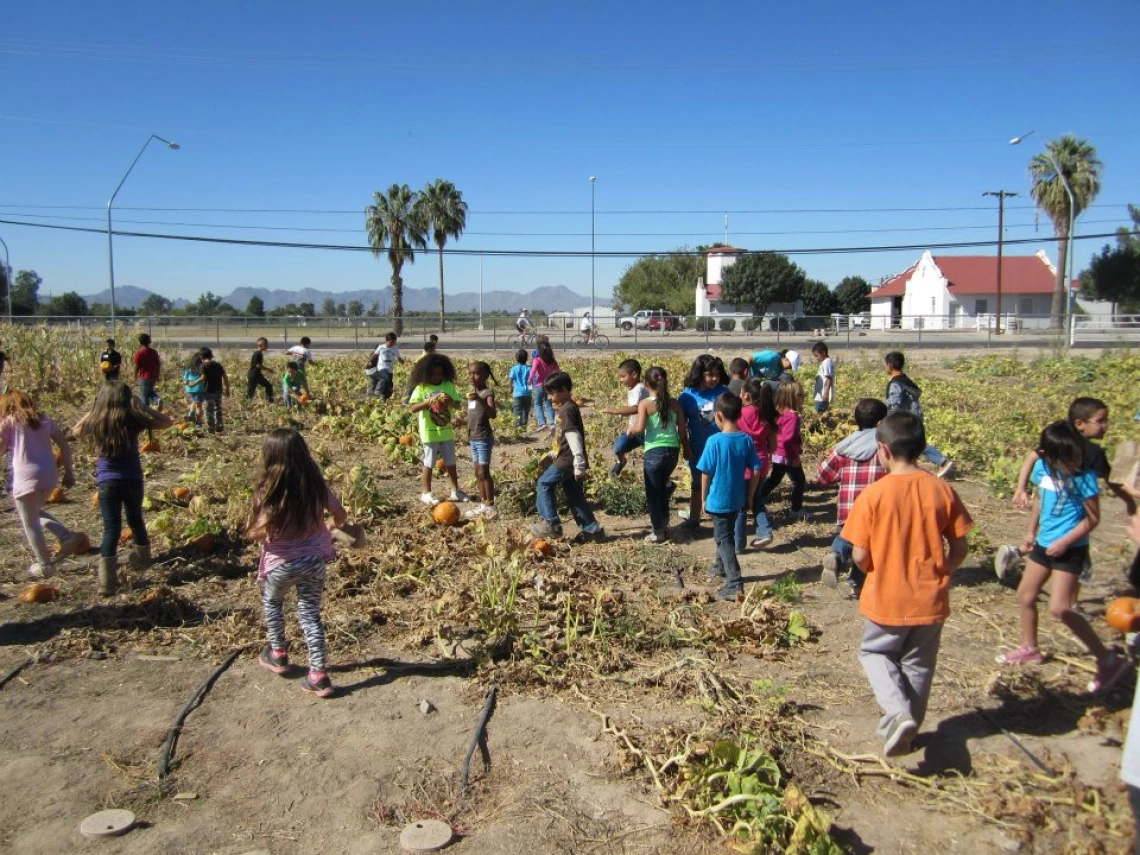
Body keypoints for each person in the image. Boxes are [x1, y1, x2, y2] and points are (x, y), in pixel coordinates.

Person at [841, 411, 972, 757]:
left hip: (887, 596)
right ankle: (909, 731)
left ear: (882, 450)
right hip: (931, 599)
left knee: (875, 652)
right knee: (918, 665)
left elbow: (859, 554)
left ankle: (897, 714)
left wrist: (873, 569)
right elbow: (960, 546)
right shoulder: (942, 490)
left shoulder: (873, 495)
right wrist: (943, 571)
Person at [995, 420, 1132, 695]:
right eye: (1066, 456)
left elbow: (1093, 519)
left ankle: (1107, 659)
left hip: (1070, 547)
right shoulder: (1042, 468)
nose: (1072, 460)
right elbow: (1039, 501)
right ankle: (1030, 648)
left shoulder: (1084, 478)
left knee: (1060, 607)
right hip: (1044, 544)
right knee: (1025, 596)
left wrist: (1065, 541)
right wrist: (1031, 532)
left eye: (1074, 454)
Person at [249, 428, 347, 699]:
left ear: (269, 456)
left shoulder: (267, 490)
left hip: (280, 564)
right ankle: (318, 675)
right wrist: (329, 524)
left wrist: (264, 532)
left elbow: (257, 530)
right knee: (310, 614)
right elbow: (340, 515)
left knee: (272, 603)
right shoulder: (315, 485)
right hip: (314, 561)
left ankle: (278, 653)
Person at [999, 397, 1137, 588]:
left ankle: (1019, 554)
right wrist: (1129, 500)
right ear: (1079, 424)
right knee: (1070, 561)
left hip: (1068, 512)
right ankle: (1070, 603)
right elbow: (1111, 482)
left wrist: (1021, 487)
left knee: (1052, 546)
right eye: (1100, 421)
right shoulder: (1073, 446)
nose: (1105, 426)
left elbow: (1033, 457)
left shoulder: (1066, 443)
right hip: (1072, 513)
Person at [73, 380, 173, 595]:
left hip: (107, 482)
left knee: (111, 530)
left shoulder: (97, 421)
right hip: (133, 478)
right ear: (127, 399)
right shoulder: (132, 418)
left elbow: (76, 431)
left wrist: (93, 409)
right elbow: (166, 422)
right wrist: (142, 406)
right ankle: (144, 560)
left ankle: (107, 583)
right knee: (136, 519)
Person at [0, 389, 88, 578]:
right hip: (49, 475)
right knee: (35, 512)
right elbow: (64, 445)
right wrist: (69, 472)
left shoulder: (9, 422)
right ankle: (66, 536)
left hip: (26, 477)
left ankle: (45, 565)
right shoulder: (44, 419)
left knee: (29, 523)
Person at [817, 398, 889, 597]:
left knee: (847, 536)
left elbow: (822, 475)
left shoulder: (845, 446)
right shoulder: (885, 447)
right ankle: (856, 583)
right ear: (881, 423)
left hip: (849, 508)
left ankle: (837, 557)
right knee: (869, 546)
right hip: (878, 510)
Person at [698, 392, 762, 601]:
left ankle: (734, 583)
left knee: (724, 538)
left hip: (719, 500)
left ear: (718, 416)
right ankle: (719, 567)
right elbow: (755, 470)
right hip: (737, 498)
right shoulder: (746, 440)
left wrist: (703, 498)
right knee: (724, 533)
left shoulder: (714, 441)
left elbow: (705, 472)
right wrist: (750, 495)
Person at [530, 371, 605, 543]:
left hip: (568, 460)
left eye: (551, 393)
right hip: (565, 457)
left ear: (563, 389)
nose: (549, 398)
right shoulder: (568, 407)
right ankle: (592, 529)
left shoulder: (566, 410)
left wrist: (579, 463)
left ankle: (551, 524)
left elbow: (573, 437)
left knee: (544, 483)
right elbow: (563, 437)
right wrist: (552, 454)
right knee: (575, 495)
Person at [628, 366, 690, 544]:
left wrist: (631, 431)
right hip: (672, 451)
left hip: (654, 451)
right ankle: (663, 522)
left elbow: (639, 428)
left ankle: (658, 531)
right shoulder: (674, 403)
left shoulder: (645, 404)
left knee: (653, 493)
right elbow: (682, 430)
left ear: (646, 384)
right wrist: (685, 447)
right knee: (661, 486)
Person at [407, 354, 471, 507]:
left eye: (440, 374)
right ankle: (426, 493)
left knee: (450, 462)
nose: (437, 377)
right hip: (429, 432)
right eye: (433, 374)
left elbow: (458, 405)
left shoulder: (448, 385)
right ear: (426, 373)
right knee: (429, 462)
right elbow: (412, 408)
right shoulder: (422, 387)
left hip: (446, 430)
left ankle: (455, 490)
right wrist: (428, 402)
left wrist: (450, 401)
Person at [678, 355, 731, 533]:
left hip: (722, 448)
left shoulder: (724, 393)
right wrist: (685, 446)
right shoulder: (687, 396)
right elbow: (682, 425)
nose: (713, 378)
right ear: (699, 374)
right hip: (698, 448)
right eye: (709, 374)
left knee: (720, 482)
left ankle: (720, 518)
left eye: (716, 374)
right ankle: (694, 519)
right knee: (697, 484)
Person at [884, 351, 953, 478]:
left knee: (912, 443)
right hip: (914, 415)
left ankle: (942, 461)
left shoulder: (895, 383)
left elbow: (895, 403)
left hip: (906, 418)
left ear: (890, 366)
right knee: (910, 443)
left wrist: (889, 418)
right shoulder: (905, 380)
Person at [735, 378, 777, 551]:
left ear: (745, 395)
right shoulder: (765, 415)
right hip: (761, 463)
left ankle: (738, 544)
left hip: (742, 465)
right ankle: (764, 531)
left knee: (740, 505)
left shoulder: (738, 414)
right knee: (756, 497)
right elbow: (773, 446)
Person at [759, 381, 809, 520]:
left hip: (778, 453)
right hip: (787, 455)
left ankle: (757, 497)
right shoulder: (792, 416)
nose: (803, 397)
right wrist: (794, 457)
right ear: (792, 397)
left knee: (775, 478)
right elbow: (789, 439)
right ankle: (796, 509)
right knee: (799, 480)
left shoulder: (778, 412)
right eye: (800, 394)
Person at [602, 359, 649, 478]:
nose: (621, 380)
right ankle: (621, 462)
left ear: (634, 375)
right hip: (634, 431)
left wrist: (613, 410)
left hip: (647, 432)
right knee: (619, 447)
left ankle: (663, 483)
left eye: (623, 376)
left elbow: (634, 409)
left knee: (651, 462)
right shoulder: (632, 388)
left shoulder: (639, 388)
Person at [464, 361, 499, 520]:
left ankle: (491, 507)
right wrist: (462, 422)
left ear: (485, 375)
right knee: (477, 473)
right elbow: (473, 416)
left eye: (476, 373)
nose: (472, 376)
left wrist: (480, 399)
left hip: (483, 438)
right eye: (470, 373)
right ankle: (483, 505)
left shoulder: (487, 393)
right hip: (473, 438)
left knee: (484, 472)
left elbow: (492, 414)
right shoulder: (471, 394)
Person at [529, 340, 560, 433]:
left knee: (537, 404)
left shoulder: (537, 360)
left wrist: (529, 380)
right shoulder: (553, 361)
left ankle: (542, 423)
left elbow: (533, 371)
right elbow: (558, 372)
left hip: (539, 385)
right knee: (548, 404)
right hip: (549, 386)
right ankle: (552, 424)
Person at [198, 347, 230, 434]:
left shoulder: (203, 366)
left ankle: (211, 429)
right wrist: (227, 388)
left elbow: (203, 378)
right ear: (211, 356)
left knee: (209, 410)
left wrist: (193, 384)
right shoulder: (218, 365)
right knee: (218, 408)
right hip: (218, 390)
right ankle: (219, 426)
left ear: (201, 357)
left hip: (208, 391)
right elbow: (225, 377)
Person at [132, 334, 162, 408]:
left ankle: (146, 411)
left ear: (140, 342)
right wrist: (158, 374)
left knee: (144, 395)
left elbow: (137, 366)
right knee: (150, 391)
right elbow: (158, 364)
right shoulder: (154, 352)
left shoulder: (139, 353)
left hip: (144, 377)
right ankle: (157, 399)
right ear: (149, 342)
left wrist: (135, 376)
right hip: (153, 375)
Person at [370, 332, 402, 400]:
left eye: (394, 342)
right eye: (391, 342)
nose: (392, 344)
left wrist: (402, 362)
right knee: (385, 377)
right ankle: (377, 392)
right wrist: (369, 362)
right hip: (382, 368)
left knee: (389, 386)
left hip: (390, 370)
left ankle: (383, 398)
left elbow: (399, 357)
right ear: (386, 341)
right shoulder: (381, 347)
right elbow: (374, 355)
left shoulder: (395, 348)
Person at [509, 349, 533, 429]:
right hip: (528, 393)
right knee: (525, 410)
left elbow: (511, 379)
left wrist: (511, 388)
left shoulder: (514, 368)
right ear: (526, 358)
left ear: (516, 359)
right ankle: (523, 427)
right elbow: (532, 380)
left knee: (517, 410)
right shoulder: (530, 368)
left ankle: (517, 427)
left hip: (517, 393)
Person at [182, 351, 206, 425]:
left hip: (189, 389)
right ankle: (198, 423)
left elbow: (185, 380)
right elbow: (203, 378)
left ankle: (191, 413)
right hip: (199, 389)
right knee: (199, 406)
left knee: (194, 401)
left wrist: (187, 383)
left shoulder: (189, 368)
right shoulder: (203, 368)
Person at [247, 337, 274, 402]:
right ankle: (270, 400)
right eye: (266, 345)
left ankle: (269, 400)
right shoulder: (258, 353)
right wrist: (268, 369)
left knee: (251, 391)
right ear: (261, 345)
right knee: (268, 386)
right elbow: (258, 365)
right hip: (254, 375)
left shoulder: (258, 353)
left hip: (255, 374)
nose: (267, 346)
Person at [811, 341, 834, 414]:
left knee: (821, 416)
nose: (816, 358)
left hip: (822, 397)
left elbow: (828, 378)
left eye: (817, 355)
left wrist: (826, 393)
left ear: (823, 353)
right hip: (820, 396)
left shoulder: (827, 362)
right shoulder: (825, 362)